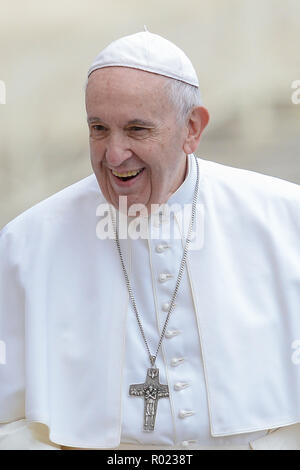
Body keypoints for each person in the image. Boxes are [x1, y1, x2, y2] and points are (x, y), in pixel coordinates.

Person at [0, 30, 300, 451]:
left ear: (192, 129)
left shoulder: (287, 221)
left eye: (137, 129)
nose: (114, 154)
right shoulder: (26, 246)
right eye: (98, 129)